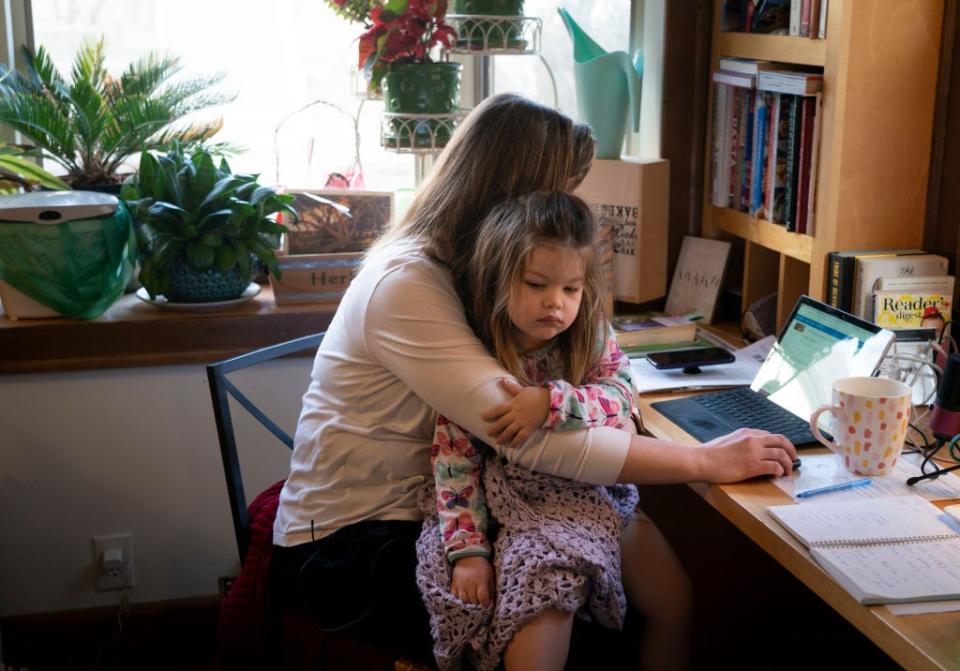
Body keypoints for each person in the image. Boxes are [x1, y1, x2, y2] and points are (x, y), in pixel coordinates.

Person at [270, 93, 798, 669]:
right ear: (511, 195)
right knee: (583, 632)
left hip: (438, 505)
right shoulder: (408, 284)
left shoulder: (471, 274)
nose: (564, 208)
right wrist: (703, 463)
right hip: (354, 541)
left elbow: (591, 392)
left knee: (633, 594)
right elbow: (529, 435)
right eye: (560, 191)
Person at [417, 191, 691, 671]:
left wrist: (553, 402)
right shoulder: (478, 352)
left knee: (676, 602)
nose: (555, 304)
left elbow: (623, 395)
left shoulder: (589, 332)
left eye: (571, 289)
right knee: (540, 608)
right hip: (515, 507)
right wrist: (468, 552)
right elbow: (454, 460)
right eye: (537, 284)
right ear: (499, 280)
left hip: (595, 497)